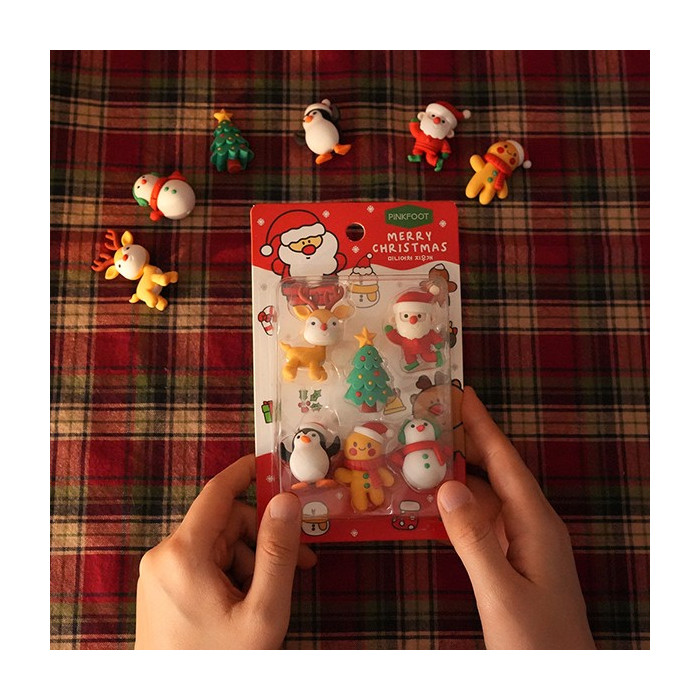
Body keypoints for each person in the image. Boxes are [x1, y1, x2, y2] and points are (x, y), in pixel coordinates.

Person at [134, 387, 595, 650]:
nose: (358, 448)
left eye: (363, 446)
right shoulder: (336, 458)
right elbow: (342, 477)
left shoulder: (390, 454)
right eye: (355, 445)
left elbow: (381, 472)